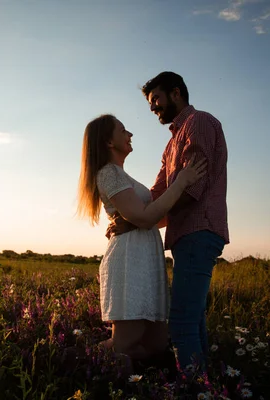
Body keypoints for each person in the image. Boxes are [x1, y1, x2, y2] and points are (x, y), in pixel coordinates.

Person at [76, 114, 207, 362]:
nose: (130, 134)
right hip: (129, 260)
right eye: (123, 130)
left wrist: (141, 217)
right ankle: (79, 364)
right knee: (127, 339)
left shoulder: (122, 175)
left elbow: (148, 217)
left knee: (156, 343)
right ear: (108, 142)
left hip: (145, 258)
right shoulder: (108, 174)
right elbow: (146, 218)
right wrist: (180, 183)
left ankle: (113, 370)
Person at [140, 71, 230, 372]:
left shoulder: (199, 122)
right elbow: (159, 191)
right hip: (186, 235)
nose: (153, 108)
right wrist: (129, 217)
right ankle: (210, 385)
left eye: (156, 100)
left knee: (180, 325)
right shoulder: (171, 144)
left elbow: (193, 188)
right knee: (193, 321)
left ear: (176, 93)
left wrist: (145, 219)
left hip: (199, 230)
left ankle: (195, 388)